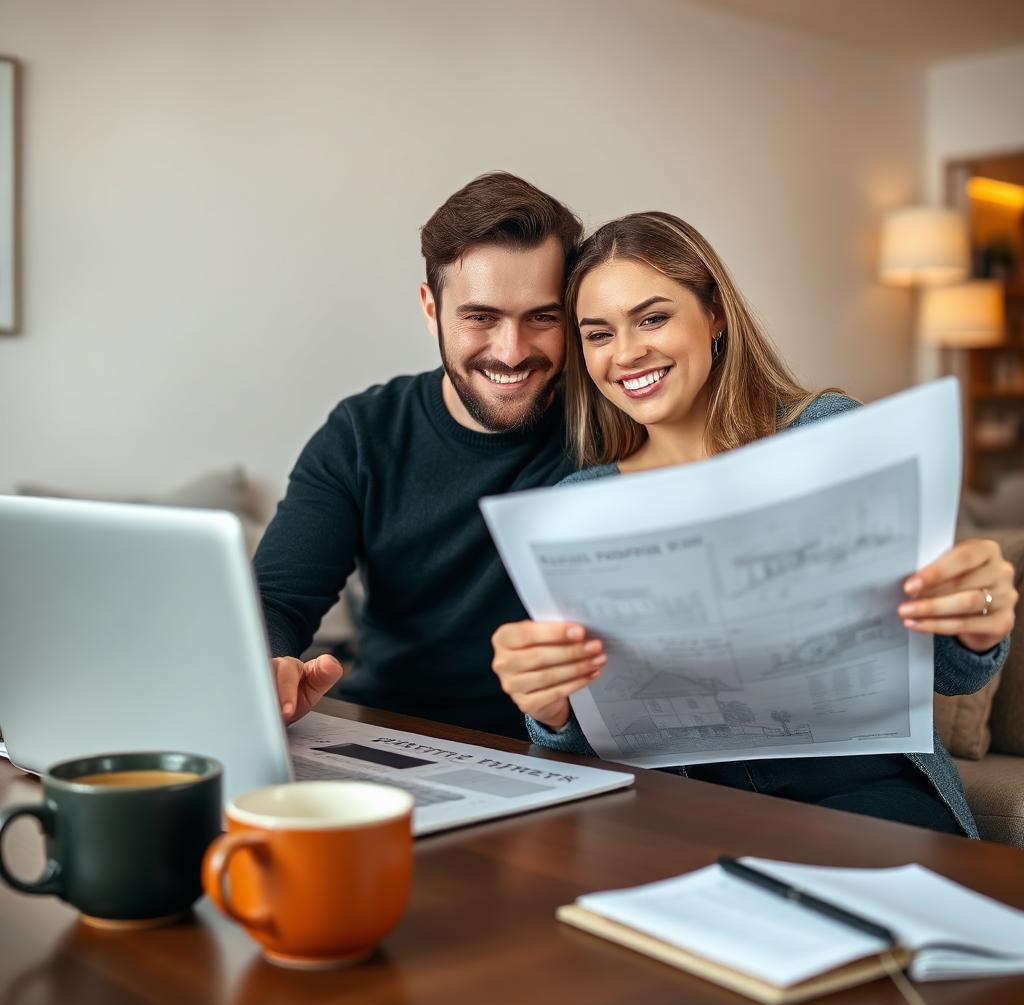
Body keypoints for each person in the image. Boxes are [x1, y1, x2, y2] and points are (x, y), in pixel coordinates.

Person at [491, 211, 1017, 836]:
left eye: (653, 317)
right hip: (686, 803)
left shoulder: (826, 431)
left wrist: (979, 620)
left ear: (713, 313)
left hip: (866, 783)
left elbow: (954, 675)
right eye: (598, 333)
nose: (627, 353)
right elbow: (579, 757)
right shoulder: (581, 502)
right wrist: (549, 711)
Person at [255, 172, 582, 738]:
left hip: (559, 751)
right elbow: (275, 599)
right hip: (387, 731)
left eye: (542, 317)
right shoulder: (364, 432)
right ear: (431, 308)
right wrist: (269, 665)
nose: (512, 351)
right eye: (480, 317)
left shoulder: (612, 431)